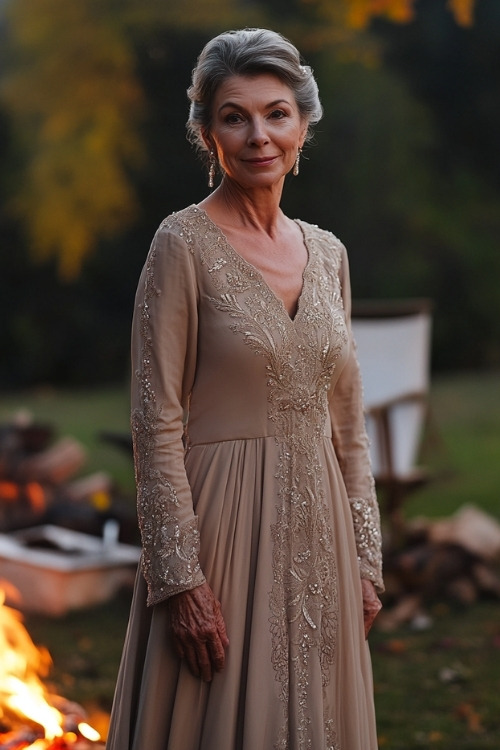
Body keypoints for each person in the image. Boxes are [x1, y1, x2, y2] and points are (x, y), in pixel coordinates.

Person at [106, 27, 383, 750]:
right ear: (207, 133)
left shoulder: (329, 254)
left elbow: (348, 423)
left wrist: (365, 557)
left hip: (322, 530)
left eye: (276, 113)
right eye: (235, 116)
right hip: (218, 535)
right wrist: (178, 578)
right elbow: (155, 417)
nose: (258, 134)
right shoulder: (181, 244)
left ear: (302, 126)